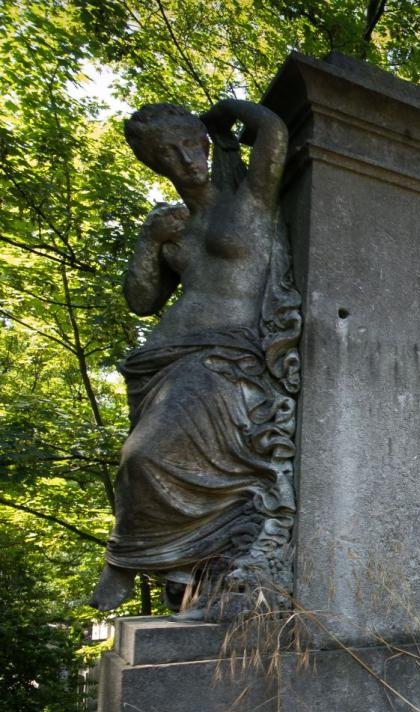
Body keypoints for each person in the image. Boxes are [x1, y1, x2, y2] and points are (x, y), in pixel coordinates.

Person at [88, 100, 301, 619]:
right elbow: (142, 301)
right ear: (154, 163)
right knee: (145, 457)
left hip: (231, 353)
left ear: (205, 143)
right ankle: (182, 572)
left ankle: (131, 557)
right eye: (168, 153)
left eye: (190, 145)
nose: (185, 160)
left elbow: (273, 130)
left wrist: (223, 110)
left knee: (149, 456)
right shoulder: (170, 225)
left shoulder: (249, 197)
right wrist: (148, 242)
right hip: (169, 356)